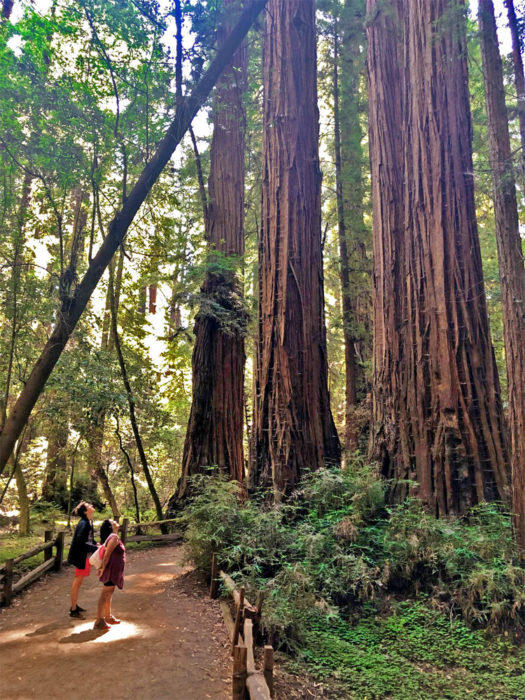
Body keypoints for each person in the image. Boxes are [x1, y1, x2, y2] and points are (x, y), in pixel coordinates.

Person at [67, 501, 98, 618]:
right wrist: (95, 548)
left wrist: (96, 544)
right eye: (89, 506)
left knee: (78, 582)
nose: (92, 506)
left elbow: (88, 539)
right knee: (77, 582)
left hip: (84, 555)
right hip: (81, 556)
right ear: (85, 511)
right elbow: (80, 543)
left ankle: (74, 606)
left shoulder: (88, 522)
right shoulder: (84, 524)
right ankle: (73, 610)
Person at [94, 518, 126, 630]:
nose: (116, 522)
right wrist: (102, 568)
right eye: (114, 522)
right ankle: (99, 620)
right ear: (111, 526)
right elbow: (107, 555)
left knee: (109, 593)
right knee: (105, 593)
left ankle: (108, 616)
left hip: (114, 570)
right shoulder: (113, 537)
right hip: (111, 570)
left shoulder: (113, 537)